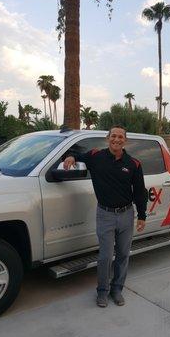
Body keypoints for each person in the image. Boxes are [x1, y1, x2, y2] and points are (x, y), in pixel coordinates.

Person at [64, 125, 147, 308]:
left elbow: (140, 192)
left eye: (120, 137)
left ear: (125, 140)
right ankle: (102, 291)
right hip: (105, 214)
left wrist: (142, 215)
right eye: (113, 136)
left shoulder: (133, 164)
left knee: (123, 254)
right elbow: (77, 154)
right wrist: (70, 157)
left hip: (126, 214)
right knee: (105, 256)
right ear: (107, 138)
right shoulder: (96, 156)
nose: (116, 139)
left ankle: (117, 289)